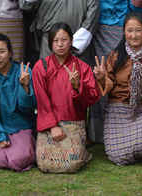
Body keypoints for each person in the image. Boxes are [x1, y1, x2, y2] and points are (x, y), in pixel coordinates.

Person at [86, 0, 142, 143]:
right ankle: (97, 134)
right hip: (94, 34)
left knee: (118, 78)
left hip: (119, 34)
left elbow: (135, 6)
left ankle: (121, 129)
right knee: (97, 78)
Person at [93, 13, 142, 165]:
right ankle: (125, 150)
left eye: (138, 30)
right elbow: (109, 85)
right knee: (116, 156)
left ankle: (133, 148)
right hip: (117, 108)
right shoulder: (115, 56)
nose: (133, 35)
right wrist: (101, 78)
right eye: (129, 31)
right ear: (124, 32)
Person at [33, 23, 101, 173]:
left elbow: (91, 98)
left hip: (74, 123)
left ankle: (82, 151)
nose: (60, 44)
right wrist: (52, 126)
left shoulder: (82, 67)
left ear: (71, 41)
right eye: (56, 41)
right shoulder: (41, 67)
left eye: (64, 40)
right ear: (50, 43)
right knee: (44, 163)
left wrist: (77, 87)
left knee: (71, 163)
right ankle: (81, 150)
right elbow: (42, 101)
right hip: (50, 124)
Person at [0, 34, 36, 171]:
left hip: (22, 126)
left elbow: (28, 108)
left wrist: (24, 87)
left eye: (2, 52)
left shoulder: (24, 72)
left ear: (10, 53)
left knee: (18, 160)